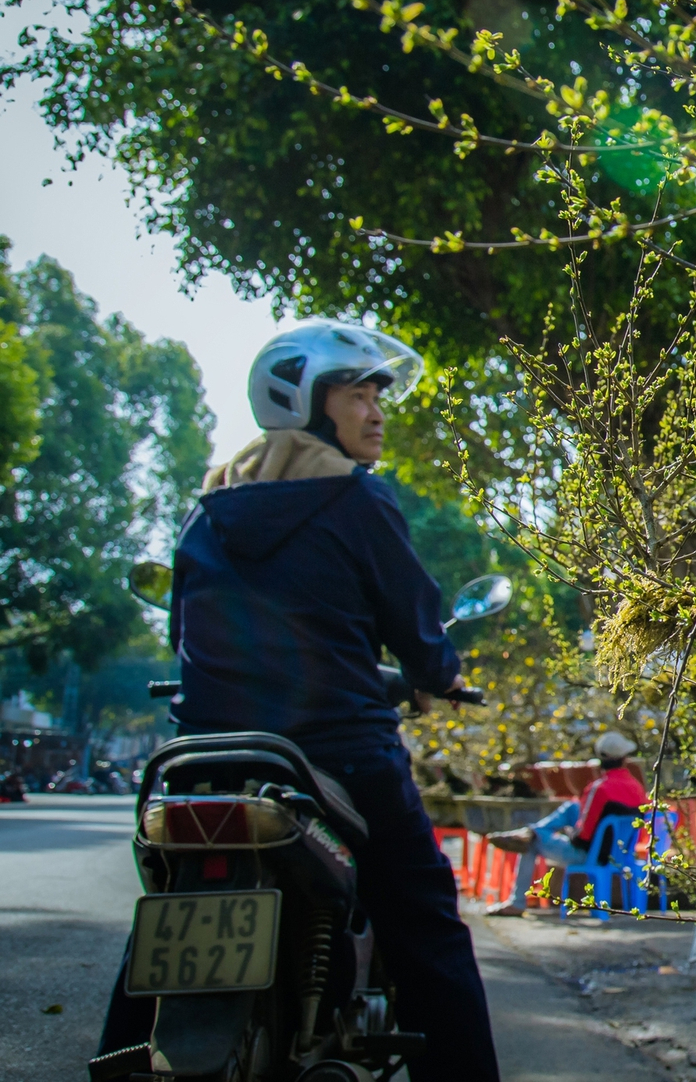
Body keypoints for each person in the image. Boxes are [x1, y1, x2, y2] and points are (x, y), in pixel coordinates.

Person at [97, 321, 500, 1082]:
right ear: (311, 405)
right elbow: (417, 632)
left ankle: (119, 1053)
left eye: (378, 395)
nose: (377, 412)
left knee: (158, 931)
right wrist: (439, 675)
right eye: (359, 394)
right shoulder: (357, 501)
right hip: (342, 756)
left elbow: (186, 634)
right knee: (427, 931)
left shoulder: (205, 511)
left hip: (205, 763)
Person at [483, 730, 649, 915]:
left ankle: (517, 901)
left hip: (592, 855)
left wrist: (568, 832)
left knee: (531, 842)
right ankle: (530, 831)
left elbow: (582, 837)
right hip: (621, 853)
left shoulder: (599, 789)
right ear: (624, 758)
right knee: (572, 808)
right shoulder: (637, 788)